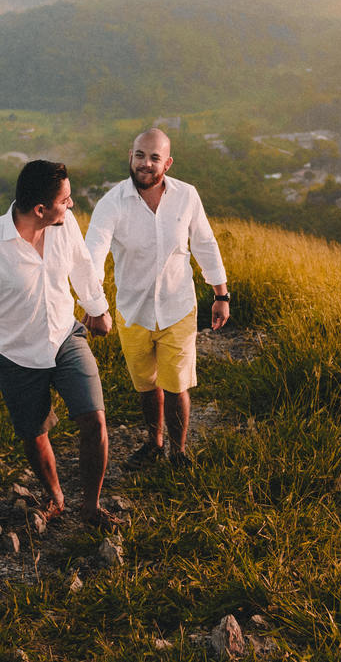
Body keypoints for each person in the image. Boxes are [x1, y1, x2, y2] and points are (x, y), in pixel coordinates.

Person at [0, 160, 120, 528]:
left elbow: (83, 266)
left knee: (94, 419)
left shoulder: (64, 224)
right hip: (17, 354)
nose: (71, 205)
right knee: (34, 432)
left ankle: (91, 507)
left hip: (64, 335)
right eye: (66, 199)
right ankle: (55, 497)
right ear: (41, 209)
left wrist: (98, 310)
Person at [85, 128, 229, 470]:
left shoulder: (187, 196)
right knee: (147, 387)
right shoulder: (112, 203)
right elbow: (93, 256)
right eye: (139, 155)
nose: (145, 164)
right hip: (133, 312)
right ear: (130, 157)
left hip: (178, 307)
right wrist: (94, 306)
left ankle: (179, 451)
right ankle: (154, 443)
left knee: (177, 386)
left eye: (154, 157)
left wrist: (221, 293)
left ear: (168, 162)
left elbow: (205, 244)